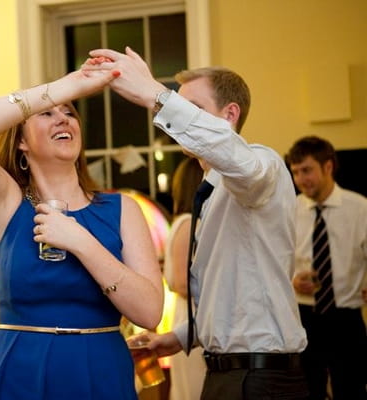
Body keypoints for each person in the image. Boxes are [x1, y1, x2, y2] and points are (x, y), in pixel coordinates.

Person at [83, 47, 309, 399]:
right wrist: (176, 337)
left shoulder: (262, 166)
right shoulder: (212, 191)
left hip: (262, 378)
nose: (180, 120)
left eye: (194, 109)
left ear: (229, 115)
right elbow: (233, 299)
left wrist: (155, 95)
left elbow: (241, 162)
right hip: (224, 372)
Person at [0, 68, 164, 399]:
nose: (63, 119)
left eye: (69, 112)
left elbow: (150, 312)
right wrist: (70, 86)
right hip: (18, 371)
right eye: (47, 112)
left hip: (101, 368)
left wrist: (81, 242)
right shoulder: (4, 205)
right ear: (21, 141)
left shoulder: (122, 209)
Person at [286, 135, 367, 400]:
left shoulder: (360, 208)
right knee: (308, 391)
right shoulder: (289, 209)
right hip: (304, 317)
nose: (300, 179)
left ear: (328, 166)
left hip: (346, 317)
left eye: (307, 170)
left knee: (351, 389)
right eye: (295, 172)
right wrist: (292, 281)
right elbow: (277, 262)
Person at [162, 157, 205, 400]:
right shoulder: (188, 223)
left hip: (194, 313)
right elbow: (180, 281)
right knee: (194, 389)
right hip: (190, 314)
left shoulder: (191, 222)